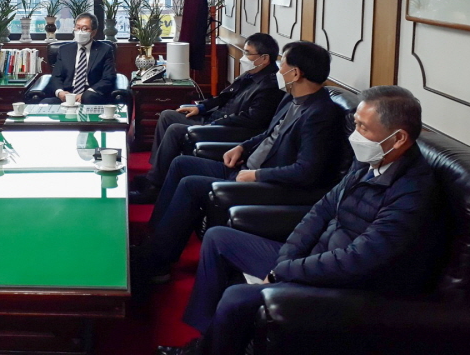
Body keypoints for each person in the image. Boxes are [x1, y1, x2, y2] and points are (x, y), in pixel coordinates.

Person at [158, 86, 442, 355]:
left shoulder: (412, 193)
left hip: (342, 286)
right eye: (355, 124)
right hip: (309, 261)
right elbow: (321, 211)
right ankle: (207, 338)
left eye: (363, 128)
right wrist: (287, 258)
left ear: (399, 138)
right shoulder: (371, 160)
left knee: (236, 297)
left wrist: (285, 271)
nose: (354, 136)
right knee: (219, 238)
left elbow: (357, 260)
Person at [140, 41, 346, 281]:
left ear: (296, 73)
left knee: (190, 185)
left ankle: (158, 263)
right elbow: (269, 133)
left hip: (268, 184)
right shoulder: (292, 99)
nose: (279, 71)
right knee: (181, 164)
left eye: (283, 65)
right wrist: (242, 147)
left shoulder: (321, 113)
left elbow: (306, 171)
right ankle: (155, 235)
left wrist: (256, 175)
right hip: (245, 167)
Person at [130, 33, 282, 204]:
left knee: (174, 130)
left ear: (264, 58)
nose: (243, 58)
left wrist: (215, 123)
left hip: (227, 129)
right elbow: (223, 97)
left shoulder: (270, 86)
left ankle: (154, 187)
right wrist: (200, 108)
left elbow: (252, 120)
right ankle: (156, 174)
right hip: (214, 118)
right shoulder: (250, 75)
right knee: (167, 116)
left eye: (248, 53)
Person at [43, 12, 117, 105]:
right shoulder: (64, 50)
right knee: (45, 103)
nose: (80, 32)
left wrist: (88, 93)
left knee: (88, 97)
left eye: (85, 29)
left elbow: (108, 78)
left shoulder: (104, 50)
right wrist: (60, 92)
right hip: (67, 95)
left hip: (91, 95)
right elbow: (56, 76)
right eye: (78, 28)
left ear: (93, 32)